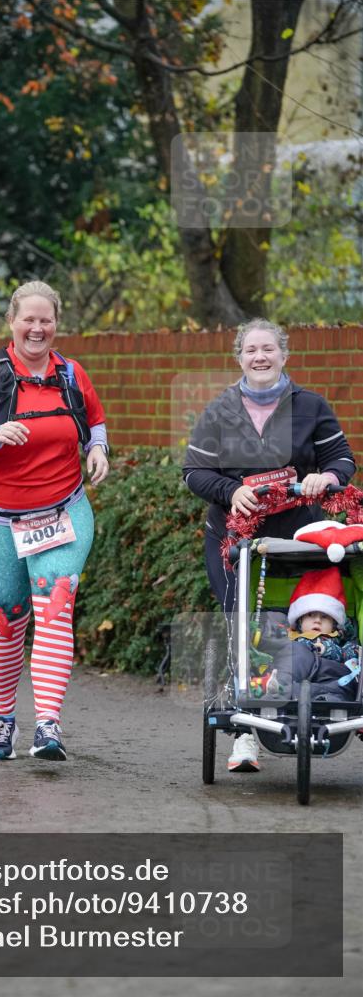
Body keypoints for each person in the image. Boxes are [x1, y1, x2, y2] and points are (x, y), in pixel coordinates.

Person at [0, 280, 109, 762]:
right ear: (12, 323)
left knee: (55, 604)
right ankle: (3, 719)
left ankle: (48, 725)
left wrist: (98, 449)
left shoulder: (71, 373)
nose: (37, 329)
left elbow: (93, 422)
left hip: (62, 511)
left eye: (46, 320)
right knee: (6, 615)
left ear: (56, 324)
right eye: (28, 320)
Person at [183, 318, 356, 772]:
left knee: (298, 620)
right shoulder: (220, 410)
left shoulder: (311, 406)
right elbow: (194, 472)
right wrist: (230, 491)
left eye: (268, 349)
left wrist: (327, 476)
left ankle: (316, 697)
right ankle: (246, 733)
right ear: (239, 357)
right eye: (251, 350)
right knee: (247, 626)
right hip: (234, 538)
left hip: (298, 540)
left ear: (284, 354)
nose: (260, 357)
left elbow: (342, 459)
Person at [251, 567, 360, 702]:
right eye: (310, 615)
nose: (317, 620)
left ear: (334, 624)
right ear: (300, 621)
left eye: (324, 617)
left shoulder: (341, 639)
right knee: (295, 653)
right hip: (298, 670)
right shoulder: (291, 636)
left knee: (341, 686)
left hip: (331, 674)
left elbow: (354, 654)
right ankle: (278, 687)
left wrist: (331, 650)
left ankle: (329, 702)